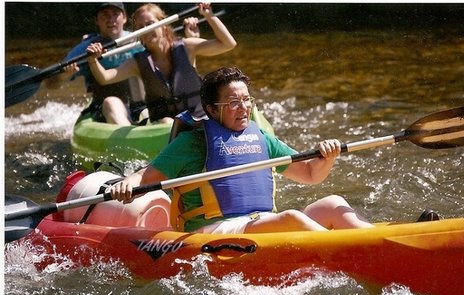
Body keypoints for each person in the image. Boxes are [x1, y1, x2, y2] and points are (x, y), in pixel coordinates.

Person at [109, 67, 374, 234]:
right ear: (212, 109)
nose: (244, 107)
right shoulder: (193, 143)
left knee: (333, 204)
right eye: (234, 102)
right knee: (292, 218)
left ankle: (378, 239)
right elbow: (146, 177)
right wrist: (127, 183)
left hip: (262, 222)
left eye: (246, 100)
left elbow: (310, 174)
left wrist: (327, 157)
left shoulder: (260, 138)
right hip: (215, 230)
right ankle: (349, 249)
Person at [45, 2, 203, 125]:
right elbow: (51, 85)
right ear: (96, 20)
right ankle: (129, 135)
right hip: (107, 107)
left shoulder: (143, 38)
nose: (111, 19)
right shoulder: (84, 50)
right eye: (105, 15)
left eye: (115, 14)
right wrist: (65, 76)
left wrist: (192, 38)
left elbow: (177, 56)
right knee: (111, 103)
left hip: (142, 106)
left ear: (125, 18)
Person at [86, 3, 237, 128]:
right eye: (141, 28)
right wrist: (93, 60)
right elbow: (105, 78)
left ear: (164, 25)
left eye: (150, 24)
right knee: (168, 122)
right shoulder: (138, 62)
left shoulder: (187, 47)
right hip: (164, 124)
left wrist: (209, 15)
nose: (147, 30)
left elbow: (228, 44)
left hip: (199, 116)